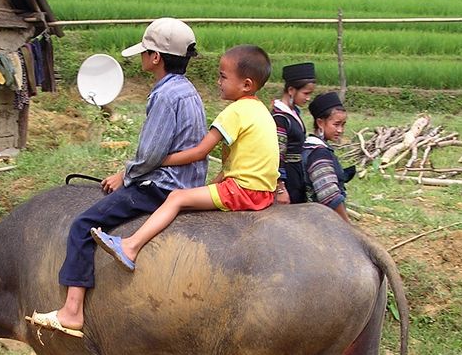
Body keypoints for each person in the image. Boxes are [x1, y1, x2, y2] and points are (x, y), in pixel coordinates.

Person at [27, 18, 207, 337]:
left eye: (145, 51)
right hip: (189, 181)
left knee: (83, 225)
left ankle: (72, 310)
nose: (142, 57)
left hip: (163, 186)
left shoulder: (164, 95)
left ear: (156, 58)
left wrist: (125, 176)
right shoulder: (188, 90)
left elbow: (150, 155)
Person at [91, 44, 279, 271]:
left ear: (246, 84)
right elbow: (235, 164)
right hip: (264, 192)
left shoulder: (235, 112)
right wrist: (214, 184)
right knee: (192, 197)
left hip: (243, 191)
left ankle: (130, 245)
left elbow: (200, 151)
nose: (218, 82)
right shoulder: (261, 111)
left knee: (177, 198)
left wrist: (159, 160)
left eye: (223, 77)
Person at [303, 91, 356, 223]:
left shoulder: (310, 147)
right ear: (320, 123)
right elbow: (329, 195)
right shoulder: (318, 153)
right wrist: (347, 227)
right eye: (336, 124)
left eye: (343, 125)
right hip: (320, 222)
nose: (340, 130)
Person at [271, 62, 317, 204]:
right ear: (291, 90)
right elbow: (277, 154)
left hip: (297, 174)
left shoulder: (293, 113)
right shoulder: (280, 117)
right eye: (306, 93)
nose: (308, 98)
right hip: (288, 178)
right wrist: (280, 188)